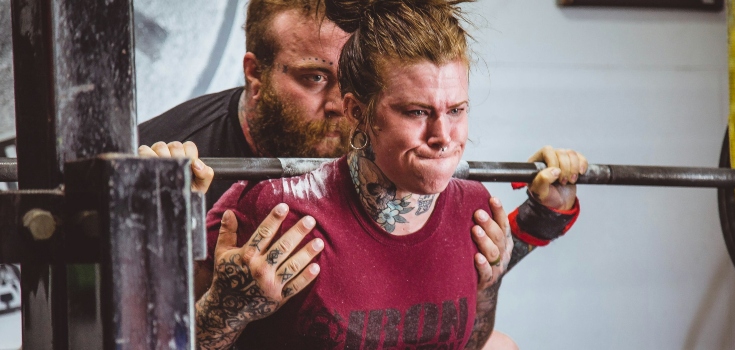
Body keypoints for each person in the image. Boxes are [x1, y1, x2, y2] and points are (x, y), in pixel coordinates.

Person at [137, 0, 586, 348]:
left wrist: (534, 224)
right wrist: (222, 309)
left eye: (456, 110)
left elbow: (435, 274)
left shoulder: (427, 176)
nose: (338, 103)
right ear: (256, 75)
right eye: (314, 78)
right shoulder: (200, 165)